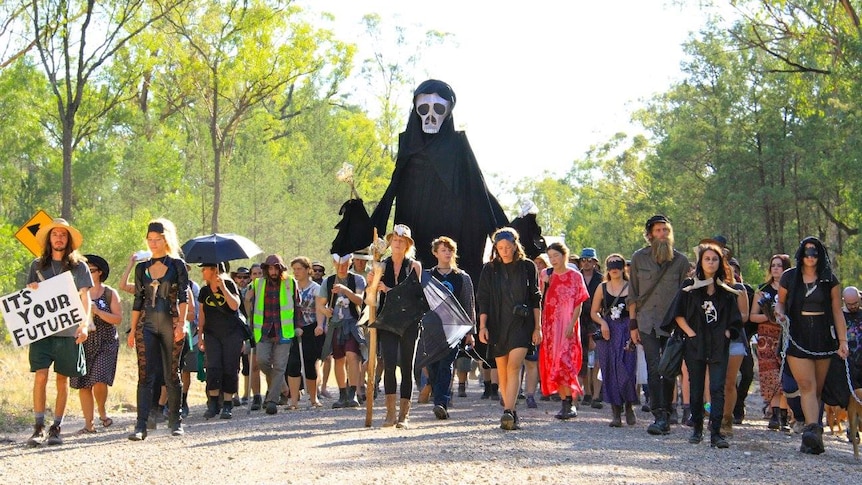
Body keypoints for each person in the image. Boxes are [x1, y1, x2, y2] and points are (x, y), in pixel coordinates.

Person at [774, 236, 849, 454]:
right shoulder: (789, 277)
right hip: (798, 334)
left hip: (823, 336)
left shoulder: (829, 280)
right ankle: (812, 430)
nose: (810, 257)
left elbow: (837, 311)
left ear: (820, 255)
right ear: (801, 254)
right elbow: (780, 302)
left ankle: (813, 437)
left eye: (815, 253)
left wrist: (842, 341)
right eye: (807, 253)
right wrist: (779, 313)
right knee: (806, 385)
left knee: (816, 388)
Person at [25, 218, 92, 446]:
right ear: (49, 239)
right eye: (55, 234)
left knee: (62, 380)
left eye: (63, 235)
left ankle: (56, 427)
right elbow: (27, 298)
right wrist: (32, 289)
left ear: (69, 239)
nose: (59, 238)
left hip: (68, 333)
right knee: (41, 376)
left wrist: (84, 324)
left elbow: (86, 297)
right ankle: (38, 427)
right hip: (42, 333)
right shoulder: (36, 265)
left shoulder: (79, 266)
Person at [672, 243, 744, 448]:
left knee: (717, 388)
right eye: (707, 259)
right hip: (695, 344)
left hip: (718, 345)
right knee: (696, 387)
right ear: (701, 262)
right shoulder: (689, 288)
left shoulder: (725, 290)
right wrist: (691, 333)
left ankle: (716, 433)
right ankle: (697, 429)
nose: (711, 262)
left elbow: (735, 319)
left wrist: (728, 332)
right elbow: (677, 314)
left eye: (714, 259)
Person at [628, 214, 690, 435]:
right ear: (650, 235)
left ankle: (669, 408)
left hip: (673, 323)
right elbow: (633, 294)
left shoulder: (681, 261)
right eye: (658, 231)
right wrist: (633, 325)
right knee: (654, 368)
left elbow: (687, 296)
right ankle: (659, 415)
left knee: (670, 367)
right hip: (646, 322)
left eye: (665, 230)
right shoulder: (638, 258)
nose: (663, 234)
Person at [127, 218, 189, 440]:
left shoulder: (177, 265)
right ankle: (140, 425)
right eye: (150, 240)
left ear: (165, 240)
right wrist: (133, 330)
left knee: (172, 374)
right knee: (145, 375)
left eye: (157, 240)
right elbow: (137, 300)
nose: (153, 244)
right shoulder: (141, 267)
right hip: (147, 324)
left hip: (171, 323)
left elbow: (184, 296)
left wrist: (182, 323)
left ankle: (175, 420)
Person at [478, 227, 542, 430]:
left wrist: (538, 327)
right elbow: (484, 299)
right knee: (503, 370)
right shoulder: (489, 269)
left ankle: (507, 411)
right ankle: (511, 411)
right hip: (497, 324)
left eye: (508, 247)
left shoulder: (527, 267)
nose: (504, 250)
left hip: (521, 324)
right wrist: (482, 326)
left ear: (515, 246)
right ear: (496, 248)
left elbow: (535, 298)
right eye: (501, 247)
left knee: (514, 366)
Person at [374, 224, 423, 428]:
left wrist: (388, 289)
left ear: (407, 244)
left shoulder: (414, 266)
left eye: (401, 241)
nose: (397, 243)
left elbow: (413, 294)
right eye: (394, 240)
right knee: (389, 364)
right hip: (387, 320)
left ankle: (405, 415)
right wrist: (373, 282)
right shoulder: (381, 266)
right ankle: (390, 413)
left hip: (409, 321)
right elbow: (372, 294)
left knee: (407, 366)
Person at [71, 255, 121, 434]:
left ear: (100, 272)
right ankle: (88, 424)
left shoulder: (109, 293)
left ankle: (102, 410)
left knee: (99, 379)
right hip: (82, 342)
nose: (87, 273)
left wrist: (97, 311)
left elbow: (117, 318)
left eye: (91, 270)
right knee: (83, 383)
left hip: (105, 341)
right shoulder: (75, 293)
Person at [426, 236, 476, 420]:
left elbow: (468, 305)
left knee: (446, 365)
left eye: (450, 250)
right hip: (431, 329)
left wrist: (470, 332)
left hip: (453, 329)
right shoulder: (428, 276)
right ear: (435, 253)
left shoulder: (462, 277)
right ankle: (437, 395)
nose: (447, 253)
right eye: (443, 250)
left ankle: (441, 402)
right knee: (433, 366)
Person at [245, 254, 300, 415]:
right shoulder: (258, 284)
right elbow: (251, 309)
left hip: (284, 331)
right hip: (264, 331)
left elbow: (297, 306)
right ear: (266, 269)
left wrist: (298, 326)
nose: (273, 271)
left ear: (281, 269)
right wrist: (247, 301)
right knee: (262, 361)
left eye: (276, 268)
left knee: (280, 366)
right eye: (270, 268)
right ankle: (282, 385)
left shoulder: (290, 282)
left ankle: (272, 401)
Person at [540, 242, 588, 420]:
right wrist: (545, 284)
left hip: (567, 322)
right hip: (550, 324)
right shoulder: (546, 274)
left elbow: (579, 303)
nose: (553, 260)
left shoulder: (575, 276)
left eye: (556, 256)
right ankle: (564, 402)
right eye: (550, 257)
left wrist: (572, 324)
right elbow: (539, 299)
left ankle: (571, 401)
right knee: (554, 361)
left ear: (564, 255)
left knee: (566, 360)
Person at [591, 253, 638, 427]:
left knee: (627, 369)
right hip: (608, 333)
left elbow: (633, 313)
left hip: (626, 330)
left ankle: (628, 406)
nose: (615, 270)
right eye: (611, 267)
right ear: (607, 269)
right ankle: (615, 412)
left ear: (623, 267)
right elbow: (594, 311)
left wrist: (634, 331)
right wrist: (602, 322)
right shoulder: (602, 288)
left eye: (618, 266)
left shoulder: (631, 287)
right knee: (610, 370)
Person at [750, 254, 793, 431]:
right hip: (766, 336)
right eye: (773, 265)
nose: (776, 268)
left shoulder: (792, 289)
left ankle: (784, 414)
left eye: (780, 265)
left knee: (786, 375)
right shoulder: (763, 289)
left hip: (787, 335)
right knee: (771, 375)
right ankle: (774, 414)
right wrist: (769, 317)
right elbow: (752, 316)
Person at [198, 262, 244, 419]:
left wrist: (223, 288)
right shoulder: (204, 291)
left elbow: (235, 305)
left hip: (231, 334)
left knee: (230, 368)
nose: (203, 272)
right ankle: (212, 403)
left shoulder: (230, 285)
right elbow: (202, 315)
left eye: (205, 269)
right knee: (213, 368)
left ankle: (227, 404)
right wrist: (200, 336)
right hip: (211, 334)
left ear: (214, 270)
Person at [719, 257, 751, 439]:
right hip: (712, 341)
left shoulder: (739, 289)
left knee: (729, 382)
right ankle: (713, 414)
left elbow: (745, 316)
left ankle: (727, 418)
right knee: (714, 382)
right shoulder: (707, 289)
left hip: (735, 340)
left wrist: (727, 323)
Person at [287, 257, 323, 409]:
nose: (296, 272)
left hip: (310, 327)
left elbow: (319, 308)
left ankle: (314, 399)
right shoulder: (289, 286)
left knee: (309, 363)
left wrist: (320, 325)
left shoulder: (315, 288)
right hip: (293, 327)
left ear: (307, 270)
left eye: (299, 269)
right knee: (293, 364)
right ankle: (294, 401)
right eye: (294, 269)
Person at [578, 248, 604, 409]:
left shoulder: (601, 280)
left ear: (595, 262)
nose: (586, 263)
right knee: (583, 360)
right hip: (579, 320)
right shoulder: (576, 277)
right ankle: (587, 392)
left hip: (597, 321)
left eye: (589, 260)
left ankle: (596, 395)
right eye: (583, 260)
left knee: (597, 361)